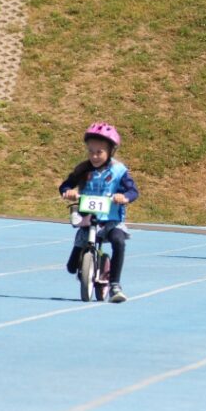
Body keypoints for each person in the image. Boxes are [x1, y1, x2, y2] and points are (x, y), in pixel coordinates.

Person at [59, 122, 139, 303]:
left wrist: (124, 197)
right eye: (91, 151)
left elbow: (133, 191)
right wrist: (68, 191)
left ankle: (114, 284)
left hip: (111, 220)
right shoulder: (83, 169)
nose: (94, 156)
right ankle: (84, 269)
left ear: (111, 151)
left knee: (118, 241)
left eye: (99, 152)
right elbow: (65, 185)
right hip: (88, 218)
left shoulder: (119, 171)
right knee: (72, 267)